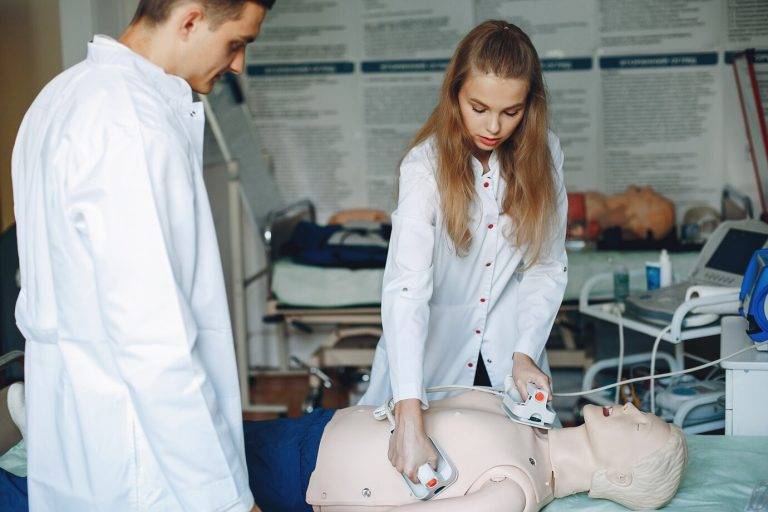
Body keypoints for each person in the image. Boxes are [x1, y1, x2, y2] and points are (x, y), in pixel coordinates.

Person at [11, 1, 273, 510]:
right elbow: (155, 343)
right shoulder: (132, 123)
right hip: (141, 458)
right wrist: (227, 502)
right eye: (236, 42)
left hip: (72, 437)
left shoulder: (60, 96)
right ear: (191, 19)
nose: (238, 63)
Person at [358, 19, 569, 484]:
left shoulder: (545, 154)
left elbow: (546, 264)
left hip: (510, 361)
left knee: (515, 479)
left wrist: (525, 352)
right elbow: (406, 289)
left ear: (529, 107)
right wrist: (409, 412)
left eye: (511, 112)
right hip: (430, 365)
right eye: (478, 108)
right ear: (455, 94)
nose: (493, 126)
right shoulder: (424, 167)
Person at [0, 385, 688, 512]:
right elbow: (424, 391)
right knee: (168, 435)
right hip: (313, 429)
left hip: (305, 475)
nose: (630, 407)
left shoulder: (513, 488)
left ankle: (27, 489)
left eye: (640, 422)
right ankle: (62, 435)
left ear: (622, 469)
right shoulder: (524, 417)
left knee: (146, 488)